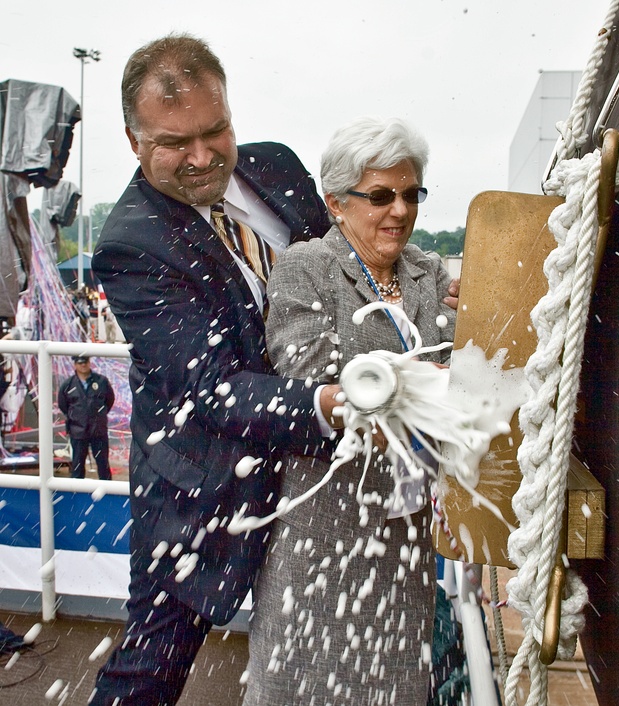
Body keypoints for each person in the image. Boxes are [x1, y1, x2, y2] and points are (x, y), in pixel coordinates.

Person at [89, 34, 342, 705]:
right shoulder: (130, 244)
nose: (203, 158)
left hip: (314, 471)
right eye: (176, 143)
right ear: (132, 139)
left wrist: (411, 286)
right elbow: (212, 388)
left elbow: (342, 269)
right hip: (201, 488)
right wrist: (332, 407)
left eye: (216, 130)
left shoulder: (278, 166)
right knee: (148, 670)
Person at [243, 116, 456, 704]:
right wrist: (426, 385)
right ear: (336, 202)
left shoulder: (430, 271)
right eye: (381, 195)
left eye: (412, 194)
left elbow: (465, 366)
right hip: (322, 538)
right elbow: (309, 375)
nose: (400, 211)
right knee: (302, 684)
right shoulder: (305, 267)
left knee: (396, 687)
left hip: (405, 537)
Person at [57, 355, 115, 480]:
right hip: (78, 431)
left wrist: (99, 415)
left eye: (85, 362)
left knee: (103, 464)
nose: (83, 365)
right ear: (75, 365)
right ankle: (76, 494)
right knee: (77, 466)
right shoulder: (68, 385)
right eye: (80, 363)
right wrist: (77, 417)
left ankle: (108, 493)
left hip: (98, 430)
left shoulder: (101, 381)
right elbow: (63, 405)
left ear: (89, 363)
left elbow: (109, 400)